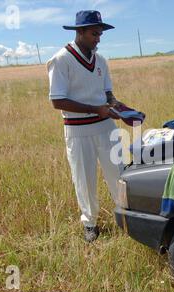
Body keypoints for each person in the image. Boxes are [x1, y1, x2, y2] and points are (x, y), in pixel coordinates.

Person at [47, 10, 124, 243]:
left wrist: (120, 107)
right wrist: (95, 109)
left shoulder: (100, 60)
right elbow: (57, 100)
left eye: (100, 34)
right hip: (78, 130)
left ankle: (126, 216)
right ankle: (90, 223)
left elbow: (108, 93)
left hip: (106, 126)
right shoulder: (61, 60)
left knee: (119, 174)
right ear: (79, 32)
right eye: (94, 33)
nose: (98, 38)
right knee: (84, 178)